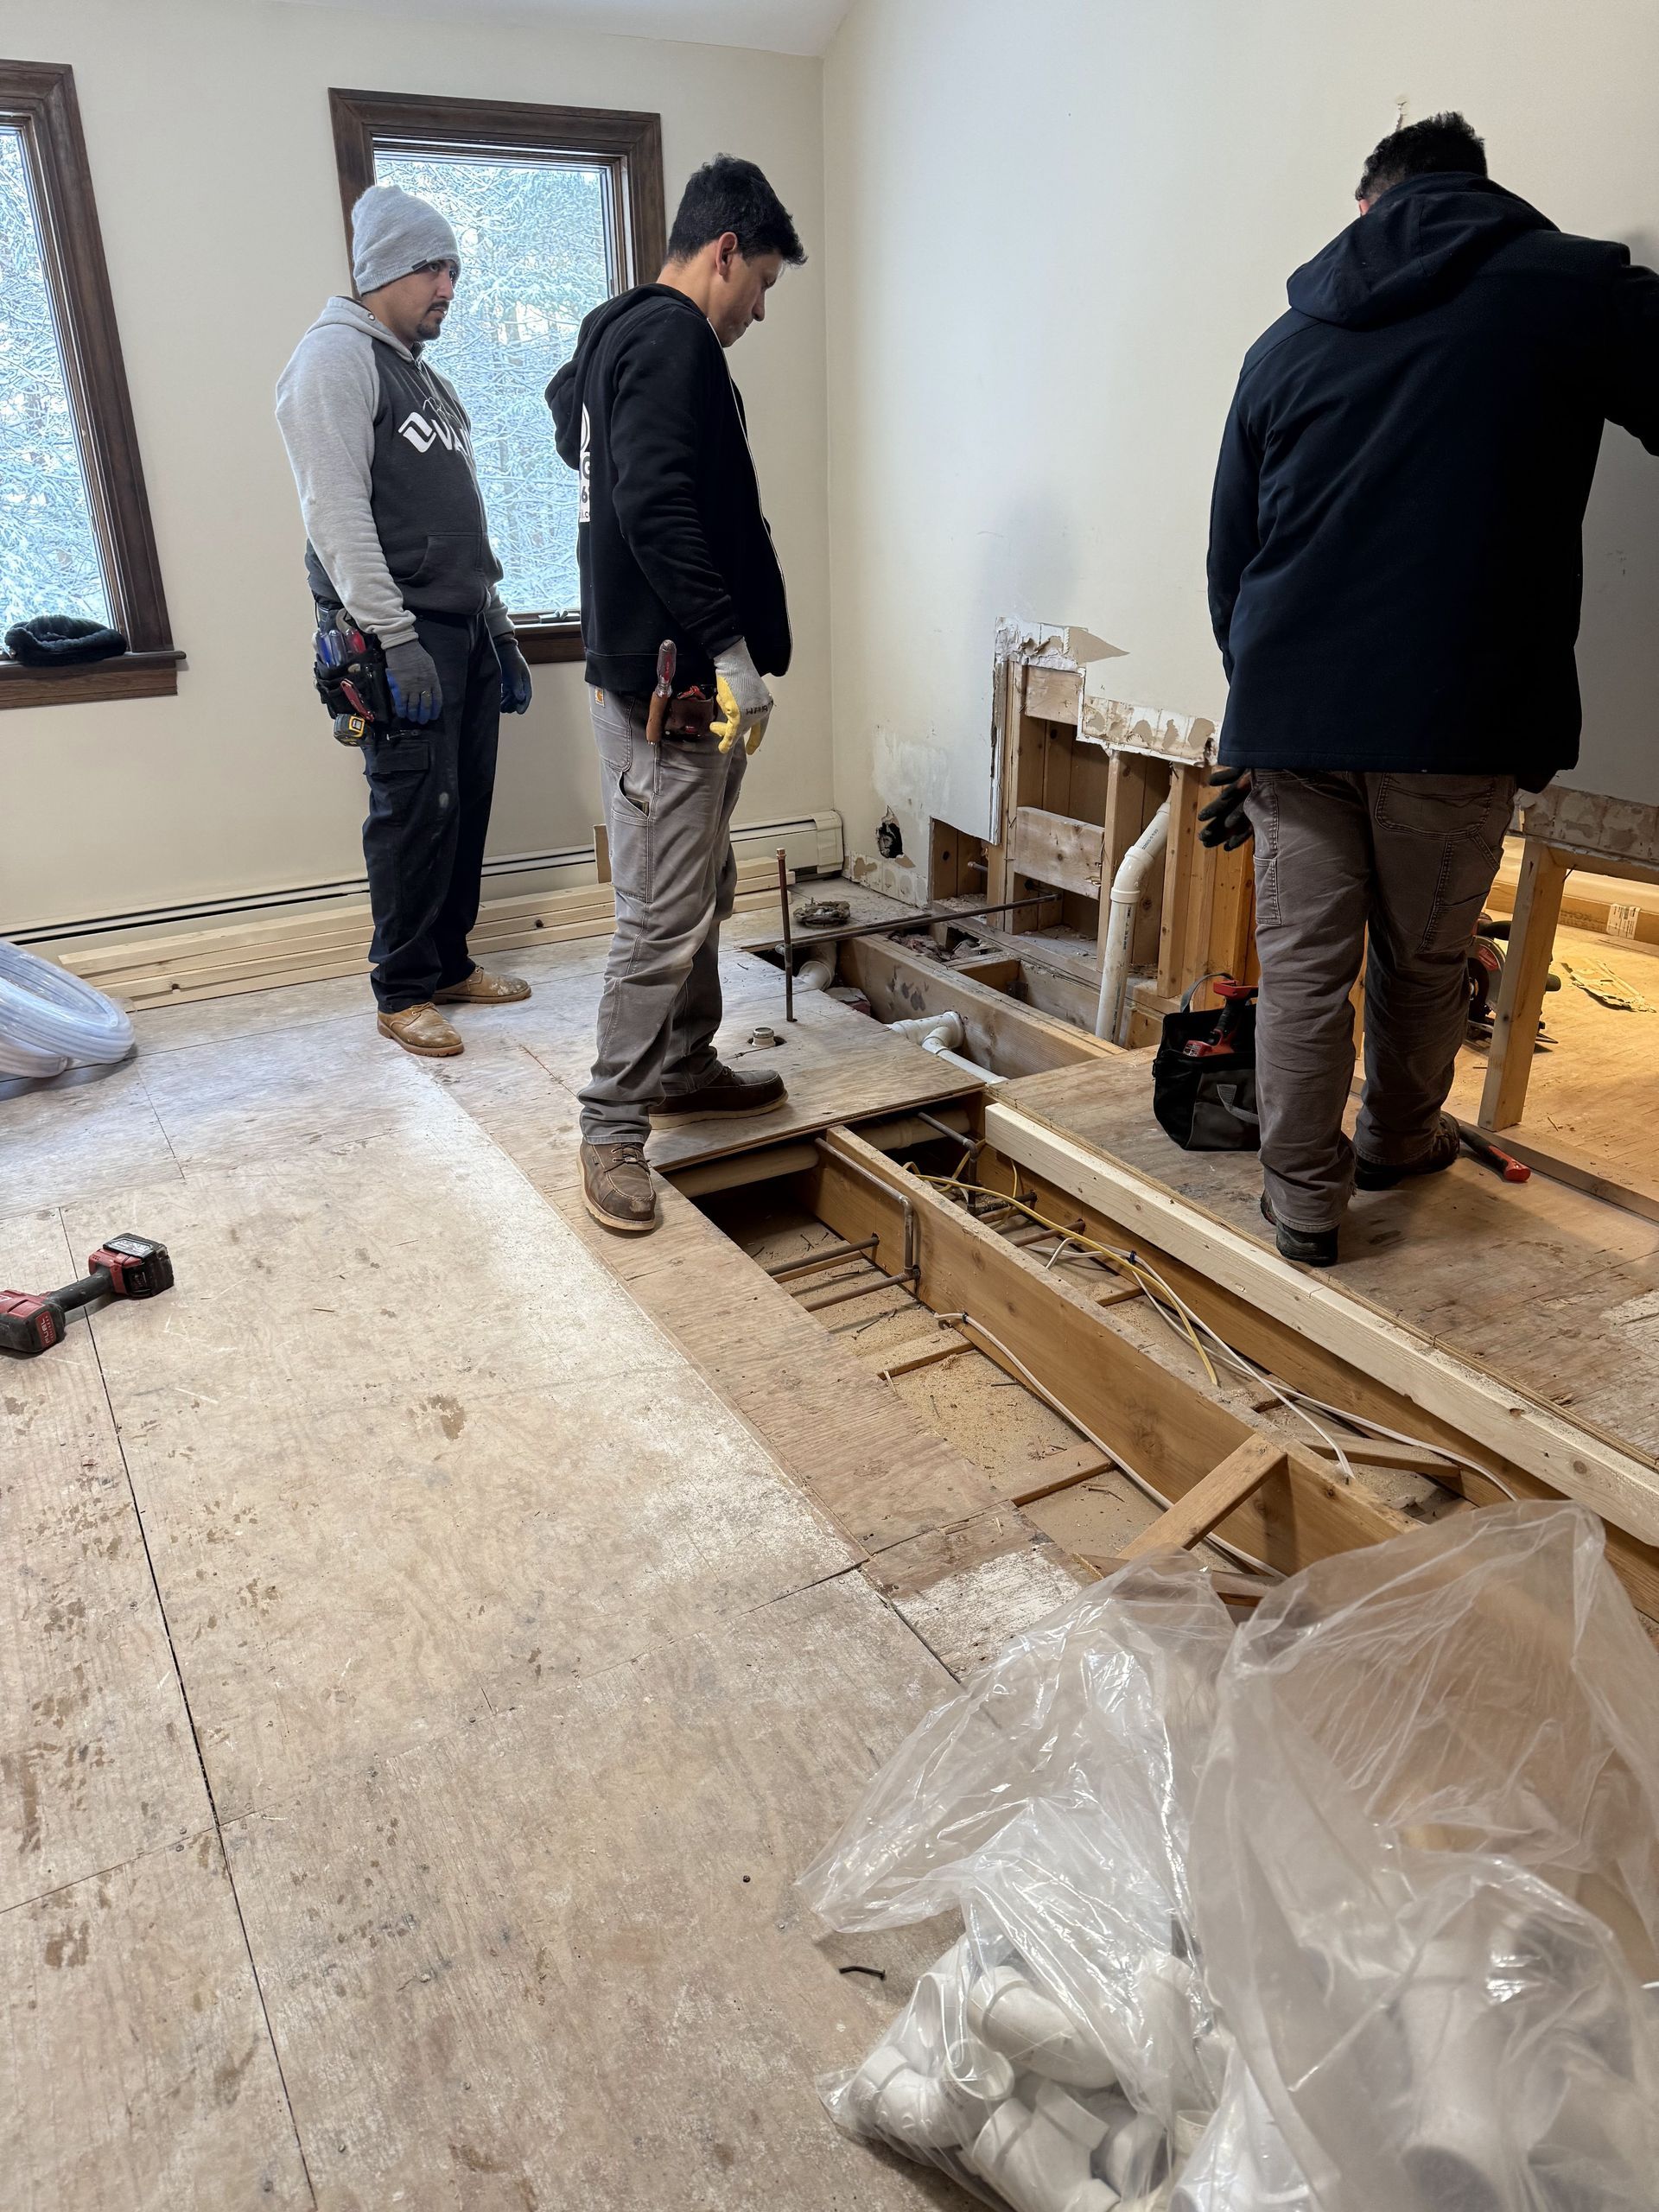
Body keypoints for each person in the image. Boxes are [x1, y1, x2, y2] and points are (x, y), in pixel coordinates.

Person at [1205, 112, 1659, 1265]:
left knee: (1306, 969)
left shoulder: (1283, 342)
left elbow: (1232, 556)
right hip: (1456, 712)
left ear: (1370, 210)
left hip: (1292, 714)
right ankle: (1396, 1140)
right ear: (1473, 190)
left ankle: (1303, 1203)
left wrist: (1258, 702)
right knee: (1422, 962)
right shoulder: (1561, 289)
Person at [548, 155, 804, 1234]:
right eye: (762, 288)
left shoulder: (613, 331)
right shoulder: (673, 337)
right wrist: (728, 651)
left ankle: (684, 1063)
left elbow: (572, 424)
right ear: (725, 252)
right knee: (658, 918)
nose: (758, 313)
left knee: (698, 886)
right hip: (674, 692)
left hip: (653, 681)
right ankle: (611, 1127)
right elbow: (654, 506)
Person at [276, 184, 535, 1058]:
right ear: (386, 267)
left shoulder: (422, 378)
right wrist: (394, 639)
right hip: (402, 637)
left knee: (462, 807)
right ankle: (401, 988)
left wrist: (496, 626)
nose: (448, 287)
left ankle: (449, 959)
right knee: (411, 809)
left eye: (454, 269)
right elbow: (336, 514)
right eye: (434, 267)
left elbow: (465, 519)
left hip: (462, 633)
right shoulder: (333, 362)